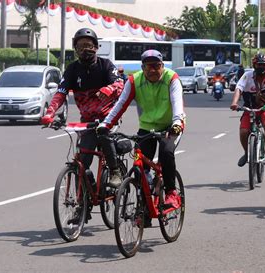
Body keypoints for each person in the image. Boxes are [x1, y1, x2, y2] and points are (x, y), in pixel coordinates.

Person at [98, 49, 185, 213]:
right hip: (147, 127)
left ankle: (171, 193)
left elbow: (177, 104)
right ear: (142, 67)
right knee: (140, 168)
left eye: (156, 66)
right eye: (148, 67)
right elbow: (120, 105)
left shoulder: (171, 78)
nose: (152, 70)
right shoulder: (134, 81)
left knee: (166, 153)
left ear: (162, 66)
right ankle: (144, 208)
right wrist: (106, 124)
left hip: (171, 126)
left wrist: (177, 123)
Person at [40, 28, 125, 190]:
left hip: (108, 118)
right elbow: (60, 93)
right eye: (80, 46)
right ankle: (83, 202)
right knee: (81, 162)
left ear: (96, 47)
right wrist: (50, 112)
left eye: (89, 45)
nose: (85, 50)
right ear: (75, 49)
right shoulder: (72, 69)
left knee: (103, 133)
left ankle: (115, 171)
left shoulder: (105, 65)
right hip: (87, 121)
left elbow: (119, 84)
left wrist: (109, 89)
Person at [230, 53, 265, 166]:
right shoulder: (247, 75)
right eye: (259, 64)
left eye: (264, 65)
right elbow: (239, 88)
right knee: (244, 131)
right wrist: (234, 103)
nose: (261, 67)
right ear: (254, 65)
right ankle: (246, 153)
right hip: (249, 108)